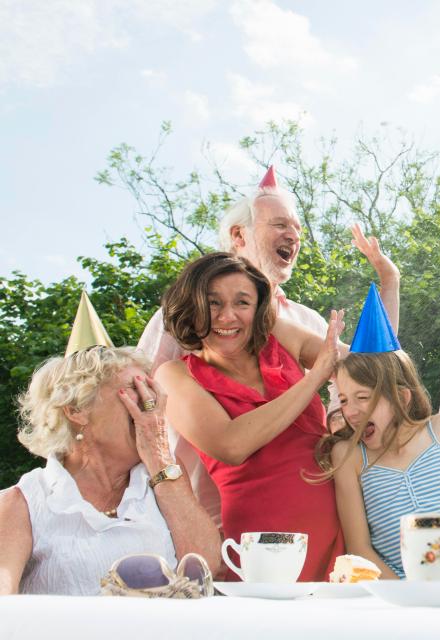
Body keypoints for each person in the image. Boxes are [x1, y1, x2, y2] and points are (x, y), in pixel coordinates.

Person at [138, 165, 400, 523]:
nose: (293, 235)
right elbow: (142, 413)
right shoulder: (182, 317)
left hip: (319, 507)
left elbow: (374, 368)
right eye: (280, 225)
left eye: (297, 228)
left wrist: (389, 283)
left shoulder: (304, 322)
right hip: (210, 518)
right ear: (238, 235)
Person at [155, 252, 345, 581]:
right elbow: (231, 444)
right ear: (191, 307)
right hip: (263, 544)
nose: (227, 317)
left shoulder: (281, 337)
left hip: (340, 527)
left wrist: (388, 286)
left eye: (242, 303)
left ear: (258, 309)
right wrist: (316, 377)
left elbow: (361, 369)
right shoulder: (173, 375)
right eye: (213, 303)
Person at [0, 345, 221, 595]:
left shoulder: (163, 475)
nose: (151, 403)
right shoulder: (23, 503)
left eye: (150, 388)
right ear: (75, 410)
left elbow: (206, 567)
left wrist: (160, 459)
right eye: (134, 389)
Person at [317, 285, 440, 579]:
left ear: (401, 397)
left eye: (363, 398)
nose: (350, 411)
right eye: (345, 400)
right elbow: (360, 548)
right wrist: (407, 593)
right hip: (400, 593)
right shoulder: (349, 457)